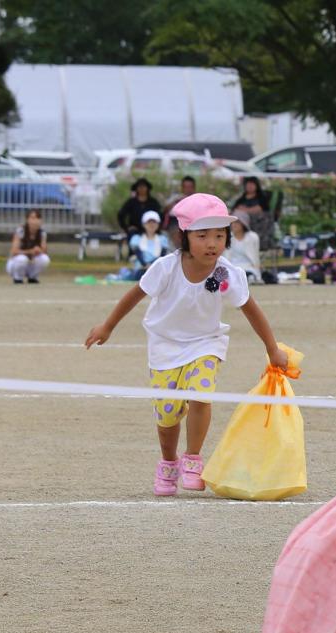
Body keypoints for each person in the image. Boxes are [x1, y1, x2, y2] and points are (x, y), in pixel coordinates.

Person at [84, 193, 288, 496]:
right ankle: (169, 463)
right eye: (202, 235)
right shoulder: (166, 268)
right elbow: (134, 295)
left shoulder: (224, 273)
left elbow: (250, 308)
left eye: (220, 236)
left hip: (205, 342)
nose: (212, 243)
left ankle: (193, 458)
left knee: (201, 393)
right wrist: (108, 326)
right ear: (184, 236)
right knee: (167, 416)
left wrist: (272, 347)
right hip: (164, 346)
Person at [6, 209, 50, 284]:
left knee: (45, 259)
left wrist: (39, 251)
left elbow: (44, 251)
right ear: (27, 220)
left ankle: (32, 277)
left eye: (37, 218)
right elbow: (14, 251)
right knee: (22, 259)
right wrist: (30, 251)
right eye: (32, 218)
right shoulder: (20, 231)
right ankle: (18, 278)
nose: (35, 221)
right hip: (15, 263)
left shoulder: (42, 233)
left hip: (31, 263)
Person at [233, 176, 275, 249]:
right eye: (248, 185)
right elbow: (235, 208)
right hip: (240, 218)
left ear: (256, 186)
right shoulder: (242, 198)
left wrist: (245, 210)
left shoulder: (261, 197)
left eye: (252, 185)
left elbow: (261, 209)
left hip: (257, 221)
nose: (249, 186)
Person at [127, 210, 171, 279]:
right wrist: (146, 265)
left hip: (157, 269)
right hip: (141, 269)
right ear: (143, 224)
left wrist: (152, 266)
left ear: (158, 224)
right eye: (149, 222)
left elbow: (162, 255)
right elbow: (139, 254)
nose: (151, 224)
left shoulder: (163, 239)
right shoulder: (136, 238)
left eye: (154, 222)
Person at [225, 211, 263, 284]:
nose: (234, 225)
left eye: (237, 222)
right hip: (232, 266)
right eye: (233, 222)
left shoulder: (253, 237)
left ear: (243, 224)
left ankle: (250, 278)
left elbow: (255, 256)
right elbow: (226, 256)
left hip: (248, 266)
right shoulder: (227, 237)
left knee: (249, 274)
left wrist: (256, 267)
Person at [163, 175, 198, 247]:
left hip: (194, 223)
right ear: (182, 188)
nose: (188, 189)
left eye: (190, 187)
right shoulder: (176, 198)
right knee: (177, 232)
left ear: (194, 188)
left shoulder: (198, 199)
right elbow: (166, 211)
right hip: (176, 223)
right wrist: (176, 201)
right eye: (185, 187)